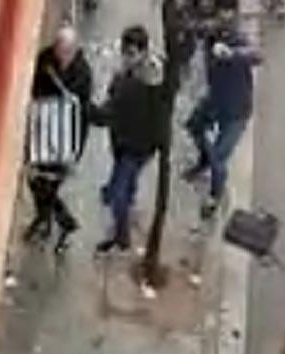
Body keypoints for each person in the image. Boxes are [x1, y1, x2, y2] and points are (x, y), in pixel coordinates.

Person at [92, 25, 167, 253]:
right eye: (125, 52)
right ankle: (126, 194)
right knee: (125, 179)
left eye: (131, 53)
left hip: (135, 145)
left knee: (118, 197)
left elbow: (109, 112)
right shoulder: (136, 75)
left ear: (143, 53)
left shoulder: (135, 85)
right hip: (131, 142)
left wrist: (88, 109)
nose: (126, 57)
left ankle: (121, 236)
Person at [184, 7, 262, 220]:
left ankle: (214, 196)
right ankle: (203, 161)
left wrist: (232, 54)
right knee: (193, 126)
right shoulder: (211, 33)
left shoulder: (238, 39)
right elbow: (193, 27)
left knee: (219, 158)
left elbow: (256, 55)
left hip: (237, 111)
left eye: (228, 16)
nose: (223, 20)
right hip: (215, 99)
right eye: (220, 16)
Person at [26, 25, 93, 254]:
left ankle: (58, 222)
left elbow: (81, 115)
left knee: (50, 185)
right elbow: (35, 90)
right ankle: (48, 219)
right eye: (58, 49)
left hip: (65, 140)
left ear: (74, 51)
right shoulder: (45, 59)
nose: (60, 56)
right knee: (35, 181)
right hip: (44, 131)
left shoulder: (83, 74)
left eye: (65, 52)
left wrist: (74, 154)